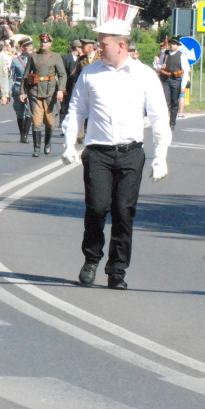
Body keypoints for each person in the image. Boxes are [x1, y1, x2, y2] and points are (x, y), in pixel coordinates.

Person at [61, 18, 171, 291]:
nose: (98, 48)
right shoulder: (90, 74)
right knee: (97, 207)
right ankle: (91, 258)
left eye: (103, 44)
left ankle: (117, 270)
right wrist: (68, 144)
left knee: (124, 212)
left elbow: (159, 117)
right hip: (97, 152)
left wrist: (161, 156)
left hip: (131, 152)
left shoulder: (144, 75)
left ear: (121, 45)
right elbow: (76, 110)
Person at [21, 33, 67, 157]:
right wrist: (22, 91)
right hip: (34, 91)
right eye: (42, 42)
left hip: (50, 92)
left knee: (50, 122)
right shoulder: (33, 56)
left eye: (46, 42)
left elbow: (62, 75)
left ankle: (47, 143)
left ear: (50, 43)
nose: (44, 44)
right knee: (36, 120)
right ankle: (36, 148)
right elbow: (26, 75)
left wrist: (60, 89)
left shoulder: (56, 56)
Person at [157, 38, 186, 128]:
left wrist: (183, 86)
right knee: (166, 101)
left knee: (174, 102)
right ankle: (164, 122)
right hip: (166, 79)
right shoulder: (165, 54)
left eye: (174, 44)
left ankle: (172, 123)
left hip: (176, 79)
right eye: (171, 44)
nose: (172, 45)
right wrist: (161, 66)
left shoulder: (181, 55)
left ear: (177, 45)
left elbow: (185, 71)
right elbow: (158, 66)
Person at [9, 38, 33, 145]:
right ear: (23, 48)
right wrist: (8, 90)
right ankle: (21, 133)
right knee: (20, 112)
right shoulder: (15, 60)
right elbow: (11, 77)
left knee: (29, 111)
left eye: (31, 45)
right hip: (18, 87)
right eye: (28, 46)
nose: (30, 47)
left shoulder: (35, 59)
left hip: (31, 87)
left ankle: (25, 135)